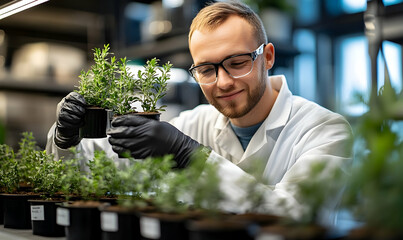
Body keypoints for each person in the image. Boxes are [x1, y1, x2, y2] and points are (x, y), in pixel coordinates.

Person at [46, 0, 352, 226]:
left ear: (267, 57)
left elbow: (295, 215)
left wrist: (192, 157)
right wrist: (66, 137)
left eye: (237, 62)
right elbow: (92, 170)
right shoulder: (195, 123)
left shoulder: (325, 130)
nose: (223, 82)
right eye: (207, 69)